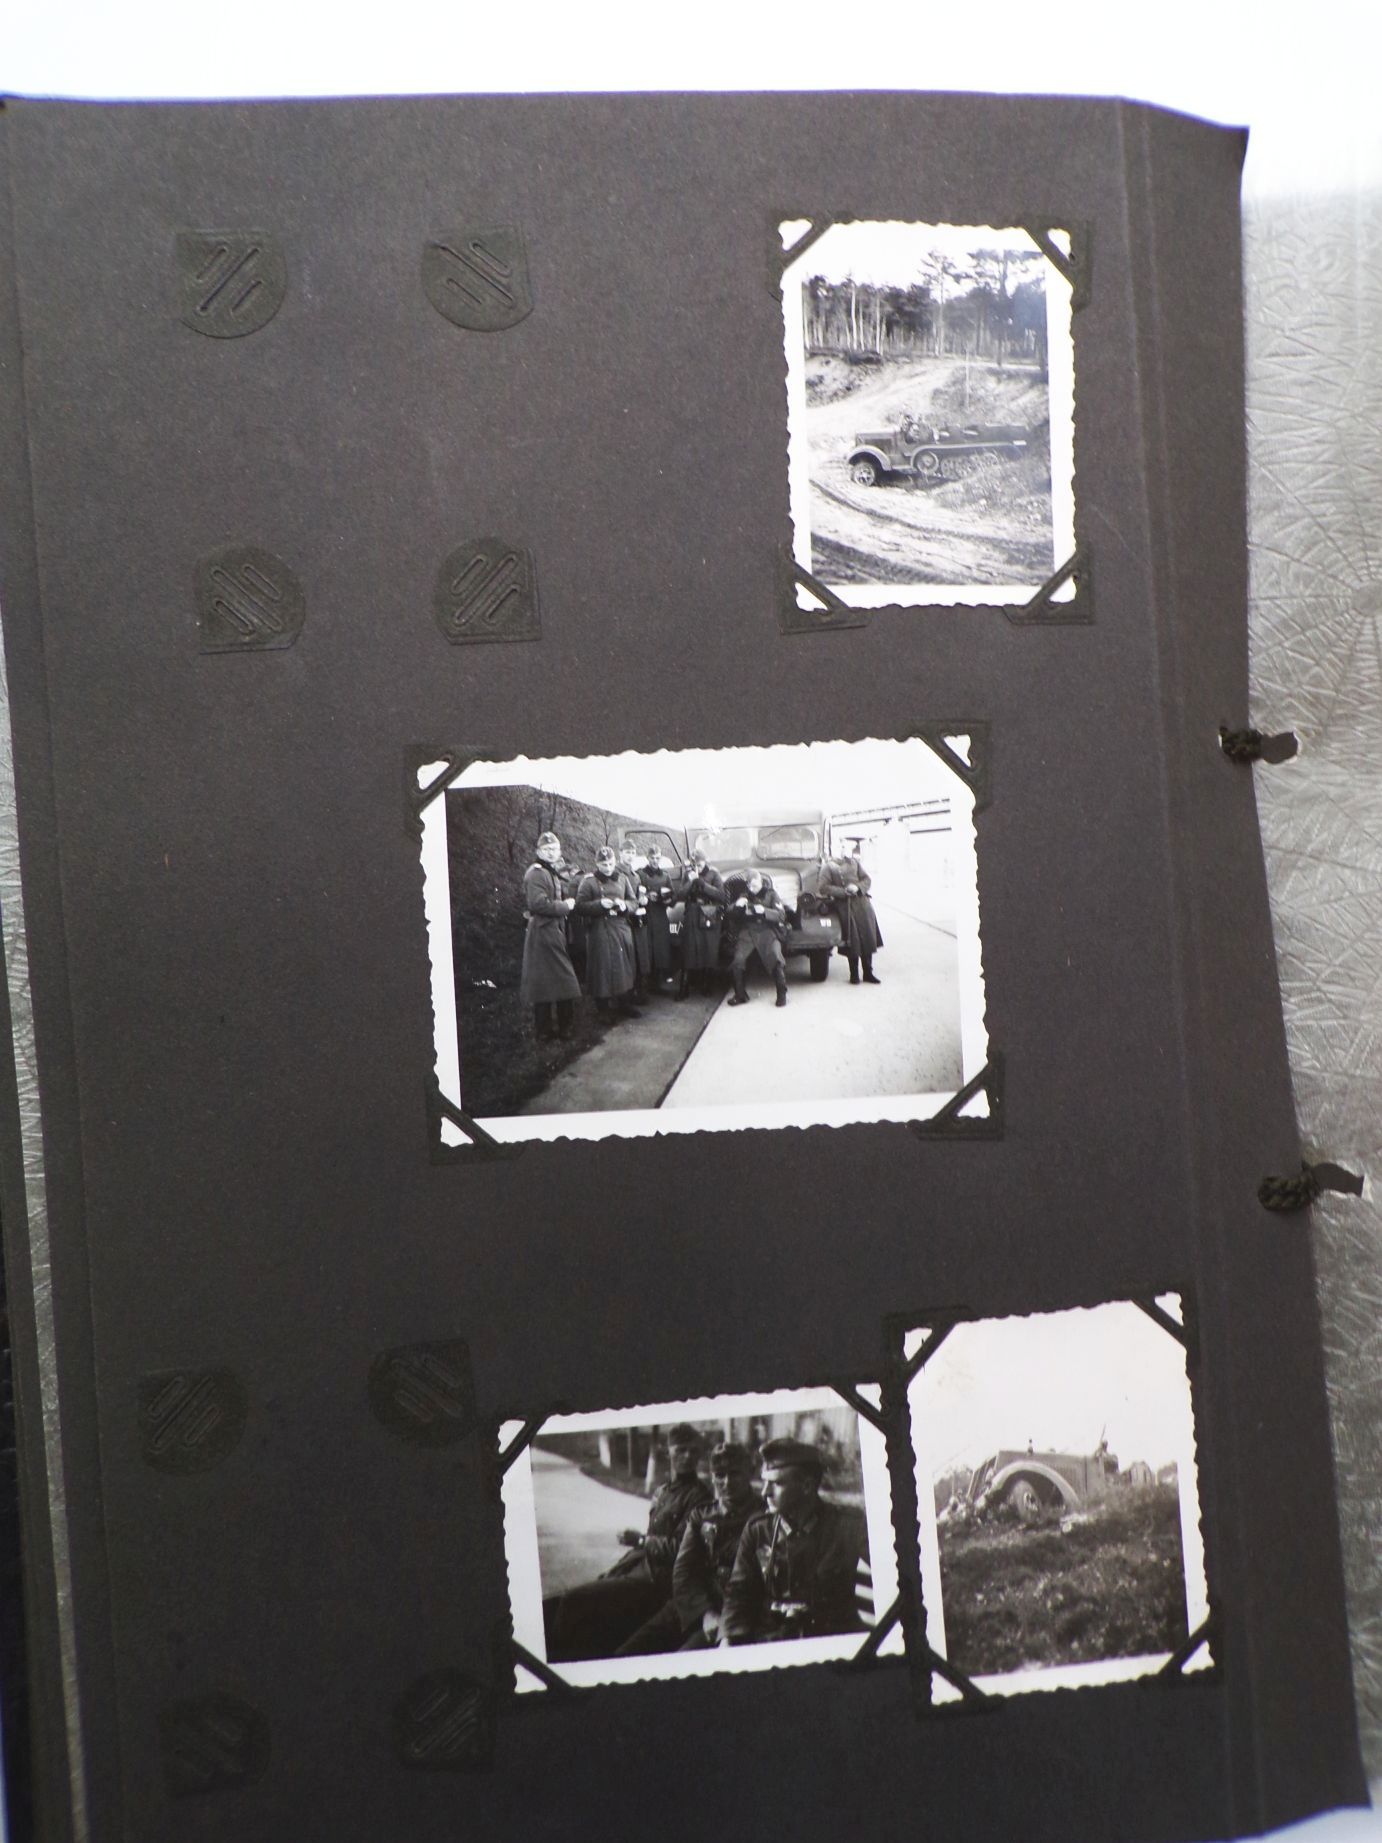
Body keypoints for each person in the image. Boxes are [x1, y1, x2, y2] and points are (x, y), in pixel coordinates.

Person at [544, 1425, 713, 1662]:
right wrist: (622, 1564)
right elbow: (651, 1539)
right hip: (640, 1568)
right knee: (558, 1603)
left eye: (693, 1451)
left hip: (660, 1580)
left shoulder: (699, 1496)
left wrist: (642, 1540)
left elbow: (682, 1549)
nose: (688, 1456)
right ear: (668, 1452)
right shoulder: (663, 1491)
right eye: (681, 1450)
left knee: (575, 1602)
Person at [722, 1437, 871, 1645]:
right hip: (771, 1638)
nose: (765, 1492)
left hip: (831, 1639)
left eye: (776, 1484)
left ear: (807, 1486)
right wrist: (728, 1638)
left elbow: (890, 1569)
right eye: (765, 1482)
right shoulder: (758, 1530)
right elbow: (739, 1591)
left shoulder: (848, 1526)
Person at [518, 831, 581, 1040]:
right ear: (538, 852)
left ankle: (550, 1030)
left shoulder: (547, 871)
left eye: (554, 849)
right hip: (544, 931)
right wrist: (565, 906)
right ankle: (558, 1029)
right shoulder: (537, 873)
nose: (551, 853)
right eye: (546, 849)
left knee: (547, 981)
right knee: (560, 980)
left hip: (550, 930)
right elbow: (538, 904)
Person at [575, 846, 642, 1017]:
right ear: (597, 864)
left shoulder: (622, 878)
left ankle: (624, 1003)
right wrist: (599, 905)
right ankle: (603, 1007)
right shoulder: (589, 881)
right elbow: (579, 906)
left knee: (624, 966)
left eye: (611, 863)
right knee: (602, 967)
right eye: (604, 864)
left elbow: (633, 901)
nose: (608, 867)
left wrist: (624, 906)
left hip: (620, 927)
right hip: (600, 929)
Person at [726, 869, 788, 1009]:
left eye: (755, 885)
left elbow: (781, 915)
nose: (752, 889)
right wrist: (737, 906)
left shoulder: (771, 894)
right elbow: (729, 912)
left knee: (776, 957)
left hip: (767, 931)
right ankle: (740, 995)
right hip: (748, 932)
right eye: (750, 886)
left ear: (760, 882)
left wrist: (765, 911)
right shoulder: (744, 896)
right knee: (738, 960)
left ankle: (782, 993)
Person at [820, 851, 883, 985]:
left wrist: (857, 887)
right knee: (852, 941)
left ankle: (868, 973)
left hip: (863, 904)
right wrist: (844, 892)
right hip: (845, 907)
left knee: (867, 937)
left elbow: (867, 879)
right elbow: (823, 888)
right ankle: (854, 974)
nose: (842, 850)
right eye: (839, 846)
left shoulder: (854, 862)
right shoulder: (827, 867)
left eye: (844, 846)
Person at [676, 849, 727, 998]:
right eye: (694, 864)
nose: (696, 866)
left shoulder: (713, 874)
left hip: (708, 913)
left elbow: (721, 895)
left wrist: (703, 884)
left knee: (708, 948)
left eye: (699, 863)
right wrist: (691, 881)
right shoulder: (688, 874)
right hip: (692, 912)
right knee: (689, 950)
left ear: (705, 861)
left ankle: (707, 985)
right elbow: (680, 895)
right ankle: (684, 987)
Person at [639, 843, 680, 994]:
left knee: (661, 950)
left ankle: (658, 983)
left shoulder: (665, 875)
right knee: (648, 950)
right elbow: (635, 894)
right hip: (646, 915)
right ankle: (646, 984)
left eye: (657, 858)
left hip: (661, 916)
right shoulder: (640, 874)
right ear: (647, 858)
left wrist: (666, 898)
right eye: (652, 858)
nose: (655, 861)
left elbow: (674, 898)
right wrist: (646, 896)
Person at [619, 842, 652, 1002]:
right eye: (627, 852)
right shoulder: (616, 873)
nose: (630, 855)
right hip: (622, 919)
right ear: (620, 853)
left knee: (639, 955)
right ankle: (626, 995)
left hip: (636, 919)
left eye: (632, 852)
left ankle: (638, 991)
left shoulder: (635, 875)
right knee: (626, 958)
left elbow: (637, 897)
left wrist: (643, 900)